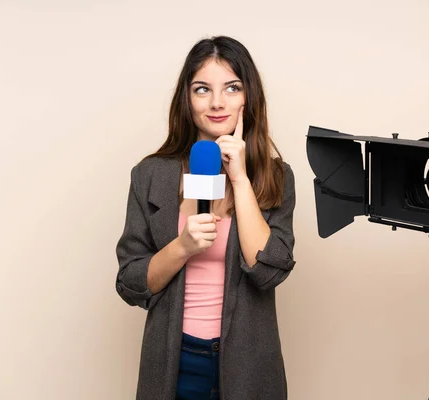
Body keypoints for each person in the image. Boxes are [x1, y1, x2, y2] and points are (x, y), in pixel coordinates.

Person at [115, 35, 296, 400]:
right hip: (175, 362)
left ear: (249, 97)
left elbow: (269, 270)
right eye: (202, 89)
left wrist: (241, 179)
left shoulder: (276, 176)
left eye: (232, 88)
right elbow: (130, 282)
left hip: (248, 365)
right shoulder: (150, 175)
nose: (217, 103)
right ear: (187, 99)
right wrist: (181, 247)